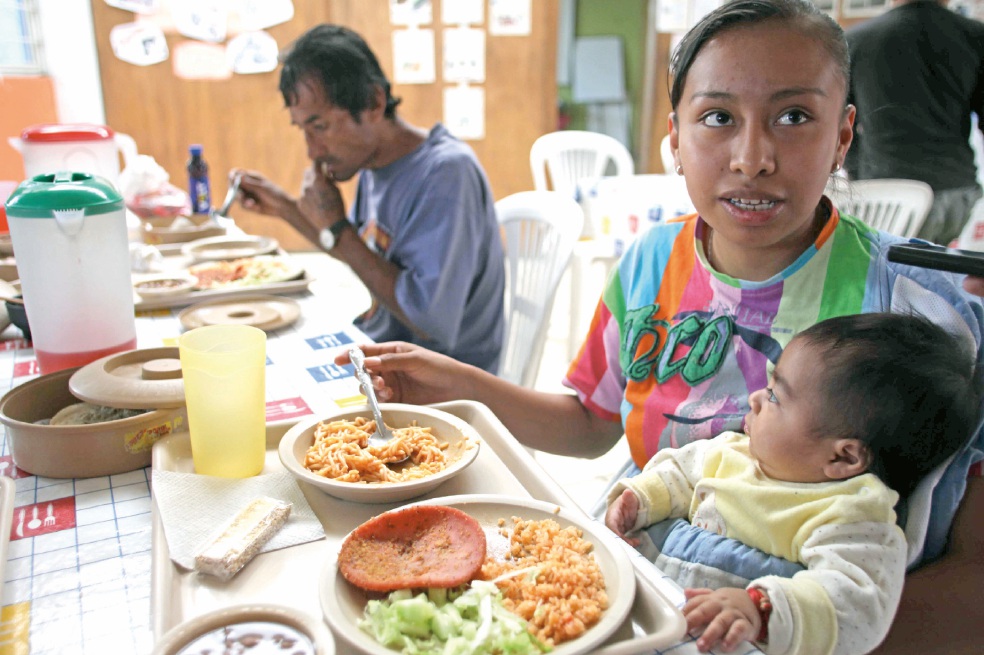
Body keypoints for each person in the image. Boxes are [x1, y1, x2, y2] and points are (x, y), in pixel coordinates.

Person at [337, 1, 984, 651]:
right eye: (718, 117)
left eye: (793, 116)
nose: (752, 156)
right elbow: (592, 421)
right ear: (675, 137)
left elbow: (967, 581)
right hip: (633, 595)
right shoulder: (652, 260)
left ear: (843, 136)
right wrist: (463, 386)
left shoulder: (922, 308)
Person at [605, 313, 980, 654]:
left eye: (774, 396)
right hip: (646, 619)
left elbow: (855, 605)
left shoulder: (852, 517)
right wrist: (639, 498)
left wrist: (761, 608)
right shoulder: (734, 452)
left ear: (843, 457)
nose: (753, 399)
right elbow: (679, 473)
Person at [235, 24, 505, 373]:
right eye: (303, 129)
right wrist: (285, 208)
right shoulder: (374, 165)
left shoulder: (446, 174)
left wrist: (337, 225)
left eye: (320, 127)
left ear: (374, 102)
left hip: (440, 381)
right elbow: (364, 258)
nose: (312, 150)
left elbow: (430, 323)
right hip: (380, 352)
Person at [844, 0, 984, 246]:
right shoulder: (974, 36)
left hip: (888, 197)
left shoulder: (858, 39)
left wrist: (858, 174)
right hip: (957, 192)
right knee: (951, 280)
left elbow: (840, 122)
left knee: (893, 279)